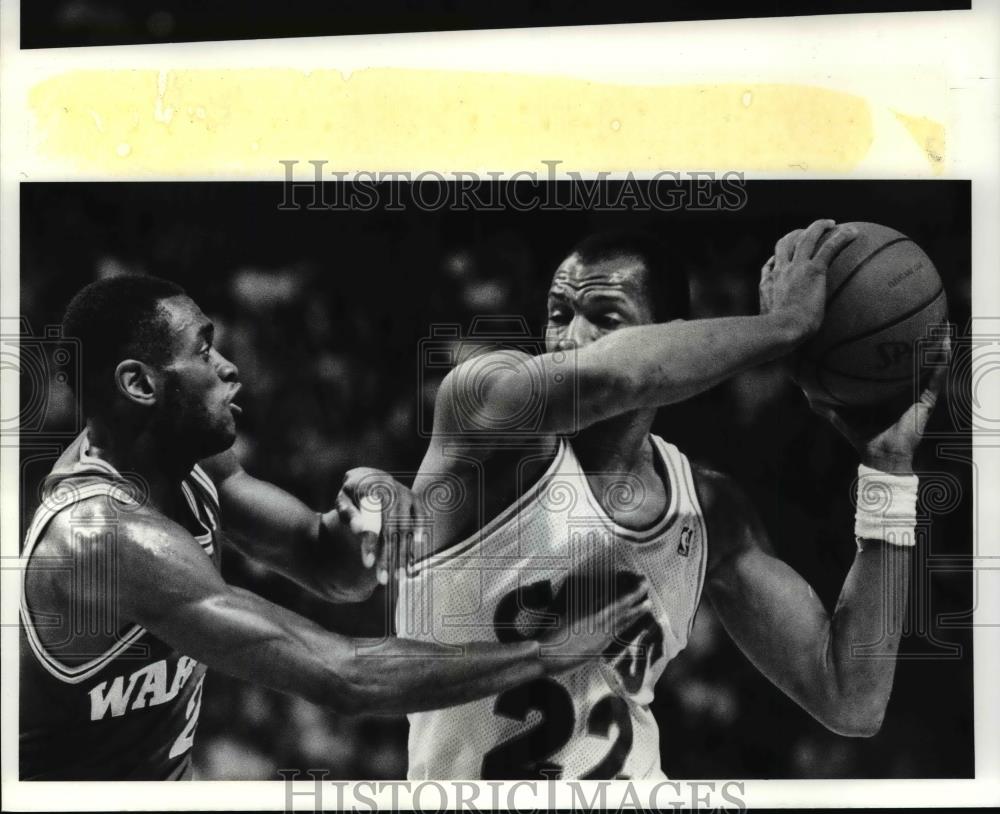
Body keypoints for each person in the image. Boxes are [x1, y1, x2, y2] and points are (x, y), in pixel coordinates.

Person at [18, 275, 651, 781]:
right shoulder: (105, 538)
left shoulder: (189, 463)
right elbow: (346, 678)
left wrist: (368, 497)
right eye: (205, 349)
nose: (230, 367)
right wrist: (546, 652)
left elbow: (328, 568)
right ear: (138, 384)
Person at [398, 219, 950, 779]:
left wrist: (889, 472)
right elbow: (618, 379)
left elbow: (850, 697)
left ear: (667, 333)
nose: (571, 338)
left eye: (606, 319)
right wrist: (783, 326)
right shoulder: (487, 421)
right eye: (559, 314)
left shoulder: (707, 509)